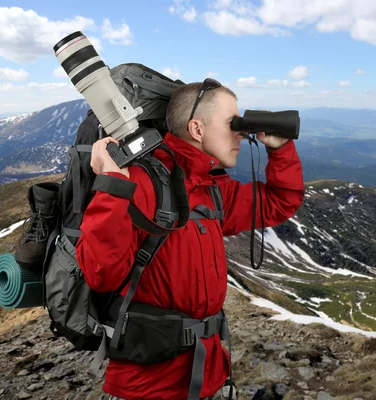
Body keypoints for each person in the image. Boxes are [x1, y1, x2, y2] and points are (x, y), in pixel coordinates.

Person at [75, 78, 305, 400]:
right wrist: (113, 185)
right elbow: (100, 273)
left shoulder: (210, 188)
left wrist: (279, 150)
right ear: (197, 129)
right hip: (149, 387)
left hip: (208, 374)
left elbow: (278, 201)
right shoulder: (141, 183)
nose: (240, 132)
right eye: (232, 123)